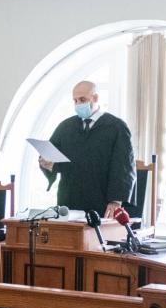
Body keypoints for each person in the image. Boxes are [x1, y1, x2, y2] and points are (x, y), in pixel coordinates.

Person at [38, 80, 135, 218]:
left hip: (101, 201)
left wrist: (115, 200)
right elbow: (54, 159)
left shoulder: (116, 127)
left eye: (82, 99)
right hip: (69, 200)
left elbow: (124, 166)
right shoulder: (65, 127)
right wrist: (46, 164)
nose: (78, 104)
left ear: (95, 98)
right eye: (75, 100)